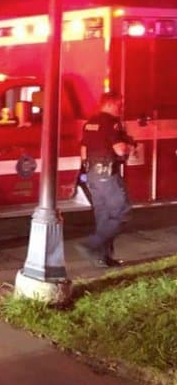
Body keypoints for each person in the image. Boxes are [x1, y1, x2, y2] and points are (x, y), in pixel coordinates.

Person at [75, 91, 135, 268]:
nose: (121, 109)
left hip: (92, 175)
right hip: (108, 175)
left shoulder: (90, 123)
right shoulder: (112, 123)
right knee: (123, 212)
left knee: (104, 217)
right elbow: (120, 150)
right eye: (119, 105)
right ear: (110, 104)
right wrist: (131, 145)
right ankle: (90, 245)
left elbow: (84, 150)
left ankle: (103, 259)